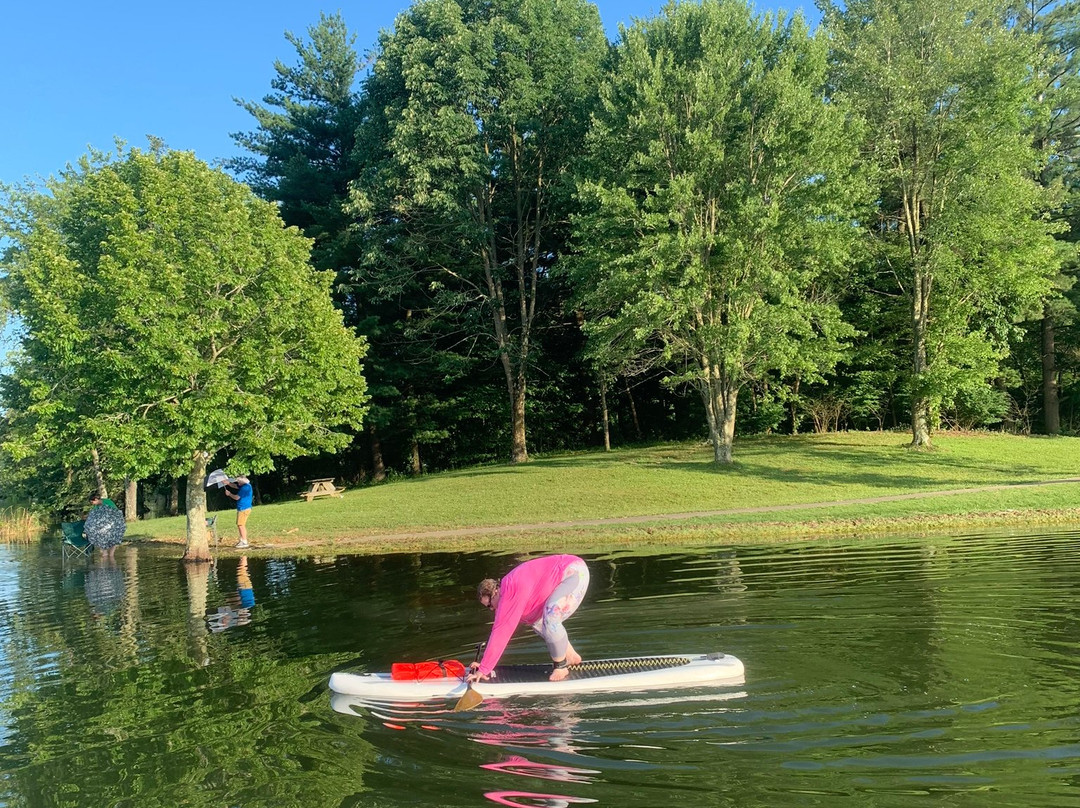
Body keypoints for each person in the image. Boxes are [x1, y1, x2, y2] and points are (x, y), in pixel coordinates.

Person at [467, 554, 590, 683]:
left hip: (574, 572)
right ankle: (570, 656)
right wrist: (484, 665)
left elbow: (501, 633)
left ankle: (561, 666)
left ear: (496, 592)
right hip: (570, 572)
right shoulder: (508, 591)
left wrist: (484, 669)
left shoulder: (510, 590)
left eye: (490, 605)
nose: (492, 609)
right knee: (538, 622)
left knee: (550, 615)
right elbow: (497, 631)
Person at [85, 493, 125, 559]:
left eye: (92, 502)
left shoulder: (108, 502)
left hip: (113, 523)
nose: (92, 504)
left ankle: (111, 555)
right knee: (100, 535)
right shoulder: (96, 507)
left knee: (114, 538)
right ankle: (105, 554)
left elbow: (115, 512)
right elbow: (95, 516)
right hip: (103, 526)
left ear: (96, 499)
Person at [224, 475, 254, 549]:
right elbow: (235, 486)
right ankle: (242, 540)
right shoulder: (245, 485)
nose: (237, 483)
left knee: (241, 525)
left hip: (244, 508)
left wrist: (229, 494)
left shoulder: (245, 488)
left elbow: (237, 497)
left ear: (242, 481)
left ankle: (244, 541)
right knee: (240, 524)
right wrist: (228, 483)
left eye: (238, 481)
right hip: (244, 508)